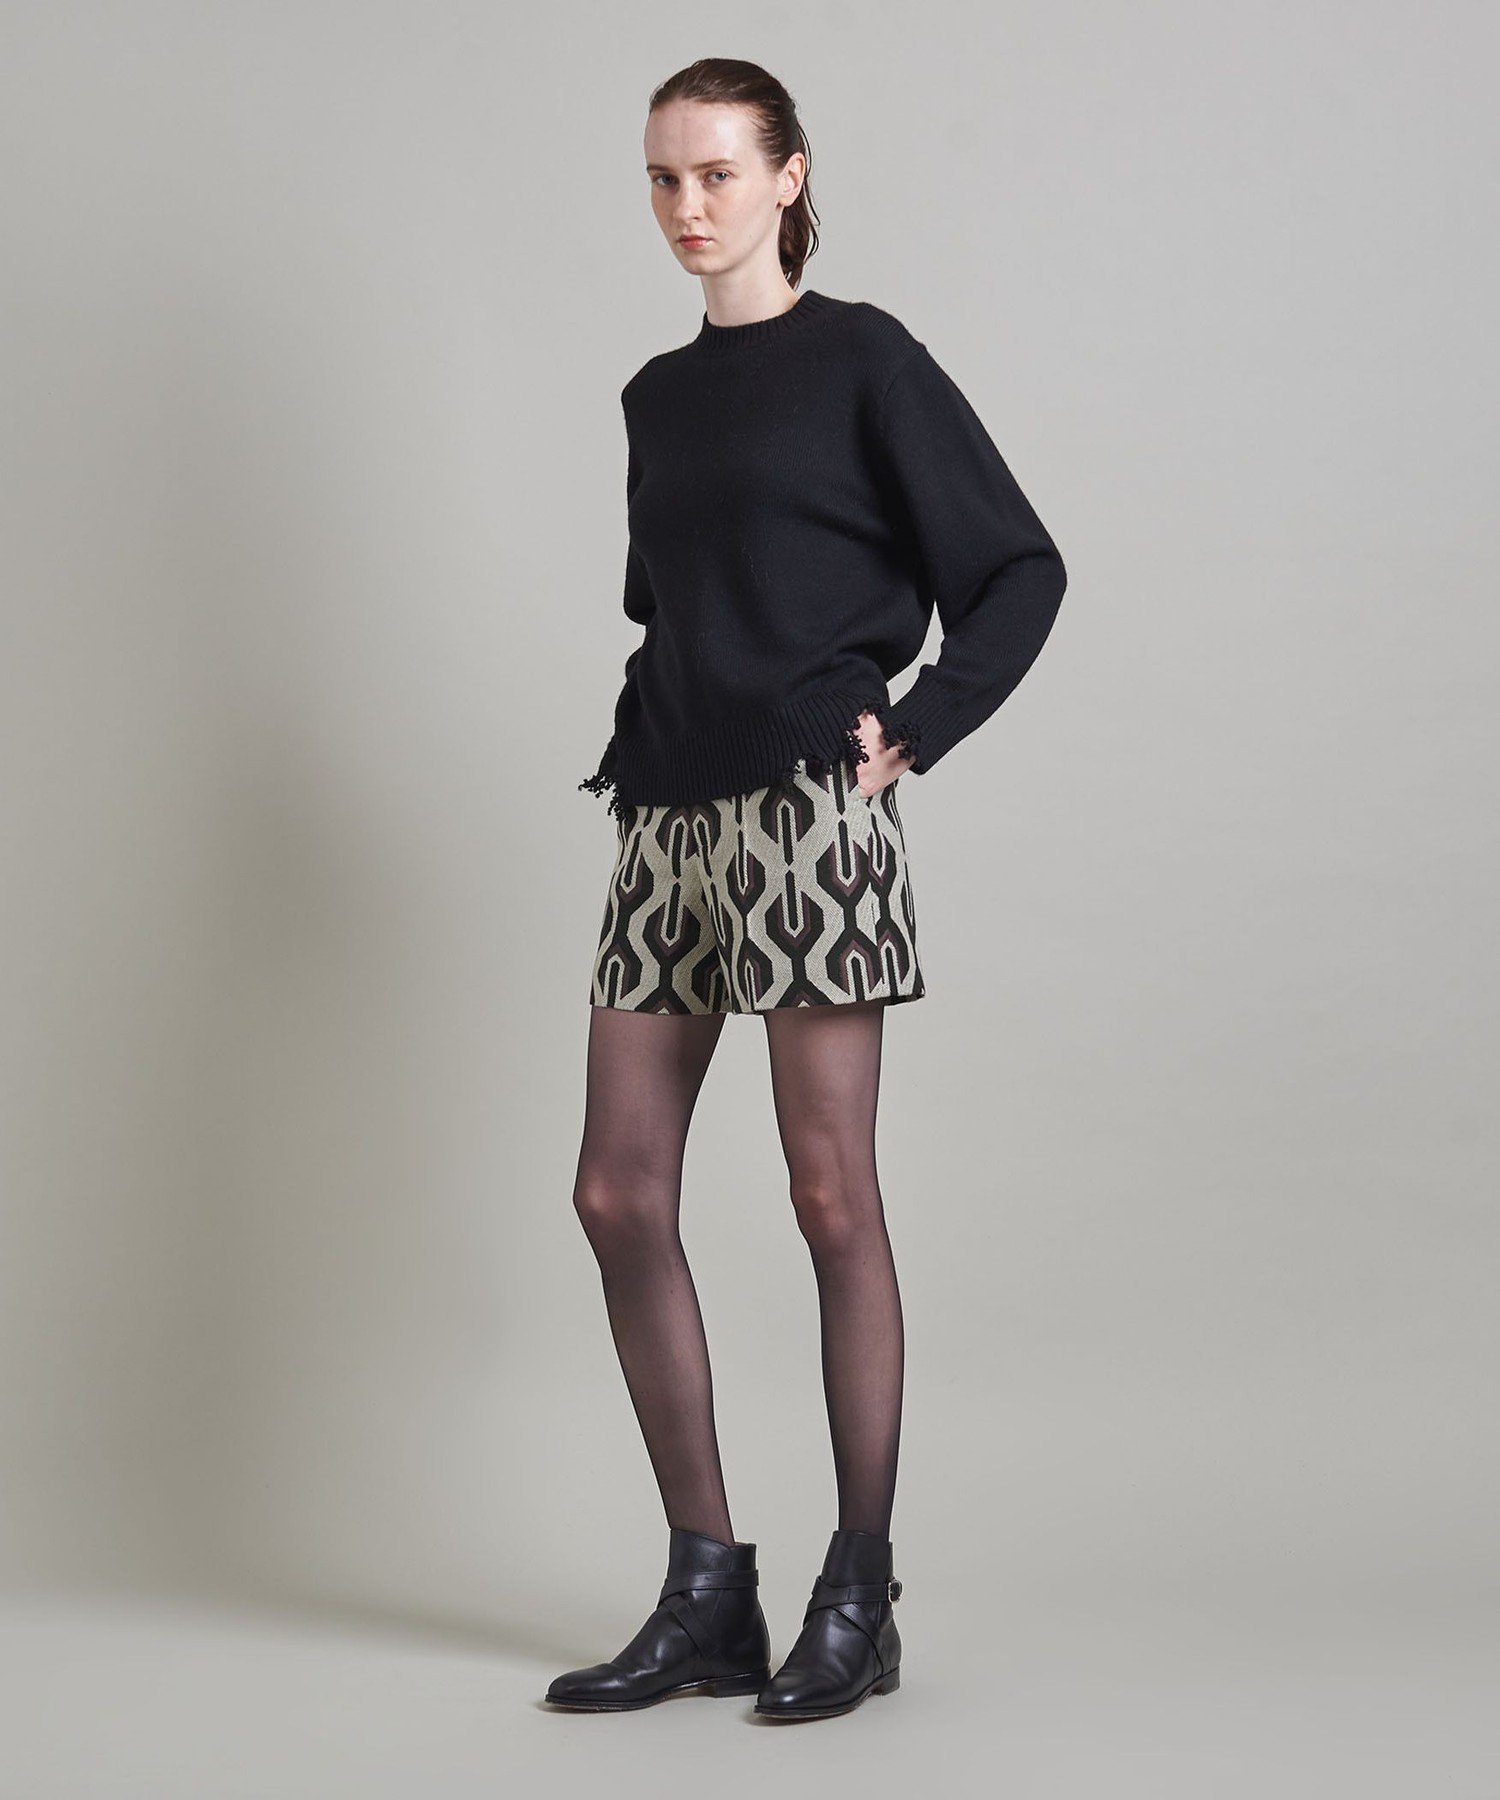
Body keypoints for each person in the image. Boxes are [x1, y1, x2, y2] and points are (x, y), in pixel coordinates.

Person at [547, 56, 1067, 1722]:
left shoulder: (866, 360)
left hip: (804, 818)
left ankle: (860, 1592)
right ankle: (708, 1588)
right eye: (662, 178)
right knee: (617, 1193)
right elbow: (675, 602)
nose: (686, 207)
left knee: (830, 1194)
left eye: (716, 173)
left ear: (788, 178)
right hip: (665, 814)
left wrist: (917, 726)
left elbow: (1019, 567)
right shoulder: (655, 397)